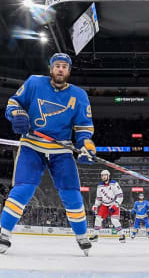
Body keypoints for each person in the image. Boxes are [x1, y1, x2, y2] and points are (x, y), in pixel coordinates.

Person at [1, 53, 95, 256]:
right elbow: (13, 103)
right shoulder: (34, 82)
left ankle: (81, 236)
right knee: (23, 189)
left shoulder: (79, 95)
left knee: (72, 194)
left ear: (69, 71)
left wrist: (87, 145)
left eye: (64, 66)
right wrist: (18, 114)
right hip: (31, 145)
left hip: (61, 150)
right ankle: (4, 233)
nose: (60, 69)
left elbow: (83, 128)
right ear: (51, 69)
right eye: (57, 66)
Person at [90, 169, 126, 243]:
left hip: (113, 204)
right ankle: (95, 236)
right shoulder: (100, 186)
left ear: (108, 176)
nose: (103, 177)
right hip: (104, 205)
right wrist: (95, 205)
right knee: (98, 218)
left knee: (114, 220)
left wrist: (115, 206)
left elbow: (120, 196)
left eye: (105, 175)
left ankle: (122, 235)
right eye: (102, 175)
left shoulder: (114, 184)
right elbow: (99, 198)